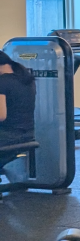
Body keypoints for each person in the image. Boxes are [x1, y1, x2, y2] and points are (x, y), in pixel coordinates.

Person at [0, 49, 38, 179]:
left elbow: (1, 116)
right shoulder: (26, 79)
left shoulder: (2, 82)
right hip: (28, 134)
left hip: (8, 136)